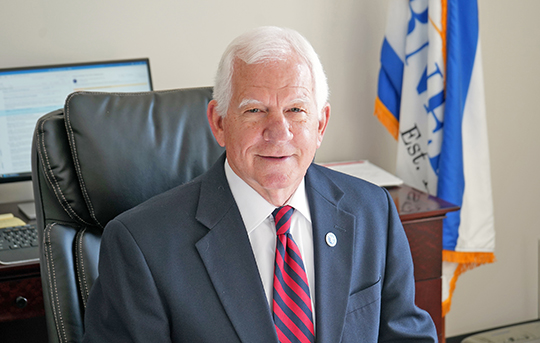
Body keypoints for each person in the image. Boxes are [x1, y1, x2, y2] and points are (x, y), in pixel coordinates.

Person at [83, 26, 437, 342]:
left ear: (321, 124)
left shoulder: (371, 210)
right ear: (219, 123)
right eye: (255, 110)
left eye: (297, 110)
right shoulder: (143, 244)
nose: (279, 132)